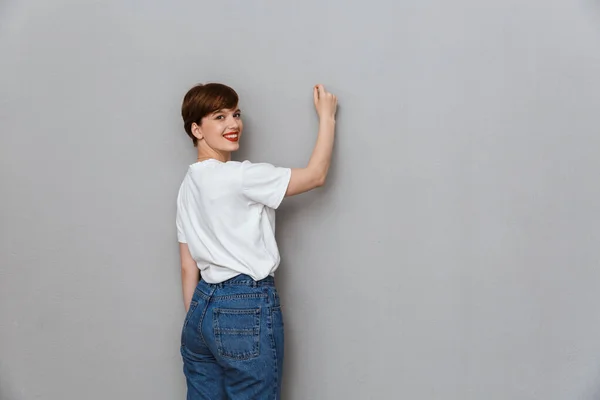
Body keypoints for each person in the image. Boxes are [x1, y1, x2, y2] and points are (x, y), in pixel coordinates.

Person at [175, 82, 337, 399]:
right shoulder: (240, 176)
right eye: (219, 117)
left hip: (200, 311)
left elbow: (186, 266)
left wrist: (200, 322)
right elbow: (316, 175)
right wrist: (327, 117)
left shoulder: (188, 184)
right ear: (196, 129)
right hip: (244, 304)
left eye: (235, 114)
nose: (233, 124)